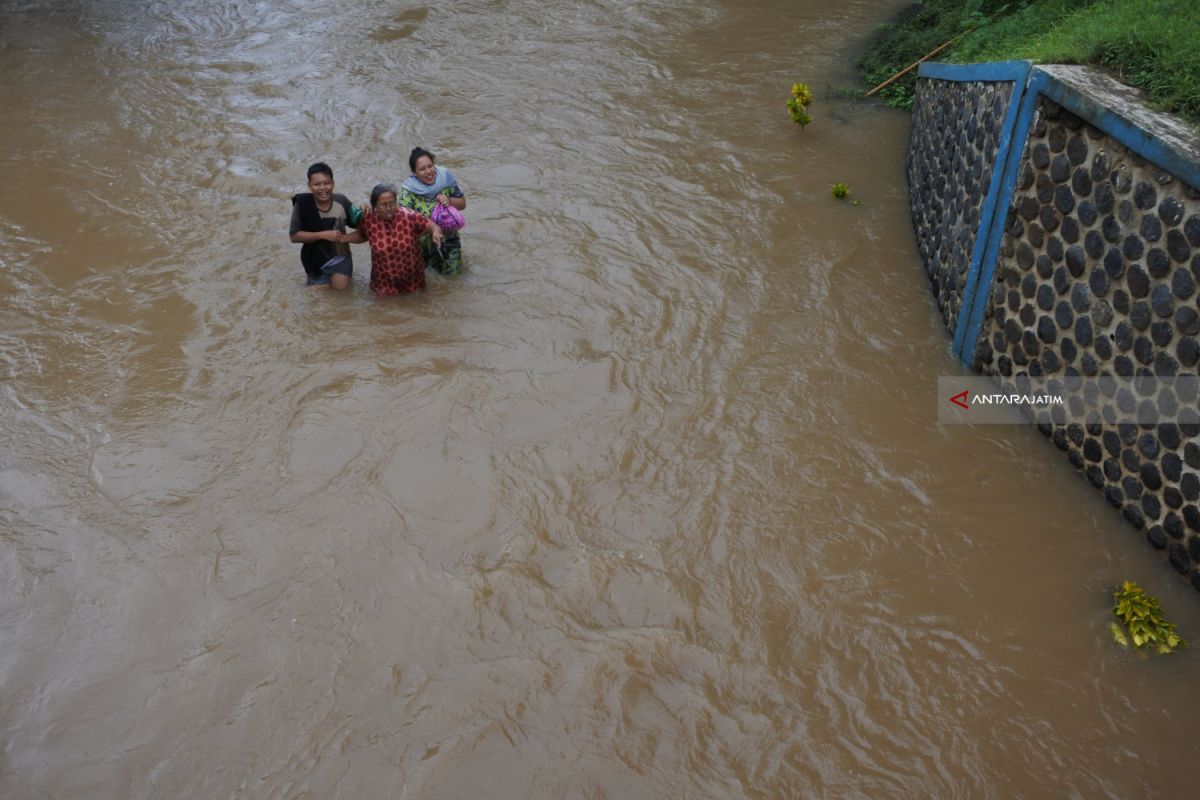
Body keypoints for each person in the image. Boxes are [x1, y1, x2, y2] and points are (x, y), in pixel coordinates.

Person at [344, 183, 444, 295]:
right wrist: (344, 239)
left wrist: (435, 232)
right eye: (383, 205)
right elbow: (363, 235)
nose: (389, 208)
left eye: (392, 203)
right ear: (375, 206)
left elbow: (432, 225)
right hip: (383, 283)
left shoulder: (409, 216)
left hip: (412, 280)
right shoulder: (369, 221)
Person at [289, 162, 362, 289]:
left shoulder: (341, 201)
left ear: (333, 183)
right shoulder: (302, 205)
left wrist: (363, 216)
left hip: (341, 260)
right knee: (317, 305)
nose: (322, 188)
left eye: (327, 183)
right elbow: (294, 236)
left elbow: (362, 229)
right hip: (314, 262)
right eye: (317, 184)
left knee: (338, 301)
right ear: (309, 186)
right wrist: (324, 235)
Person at [398, 147, 466, 275]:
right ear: (414, 172)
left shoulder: (445, 178)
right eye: (422, 169)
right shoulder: (408, 191)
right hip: (422, 246)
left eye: (430, 166)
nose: (428, 171)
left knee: (453, 281)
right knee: (429, 284)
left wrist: (449, 201)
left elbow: (463, 204)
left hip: (449, 240)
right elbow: (403, 222)